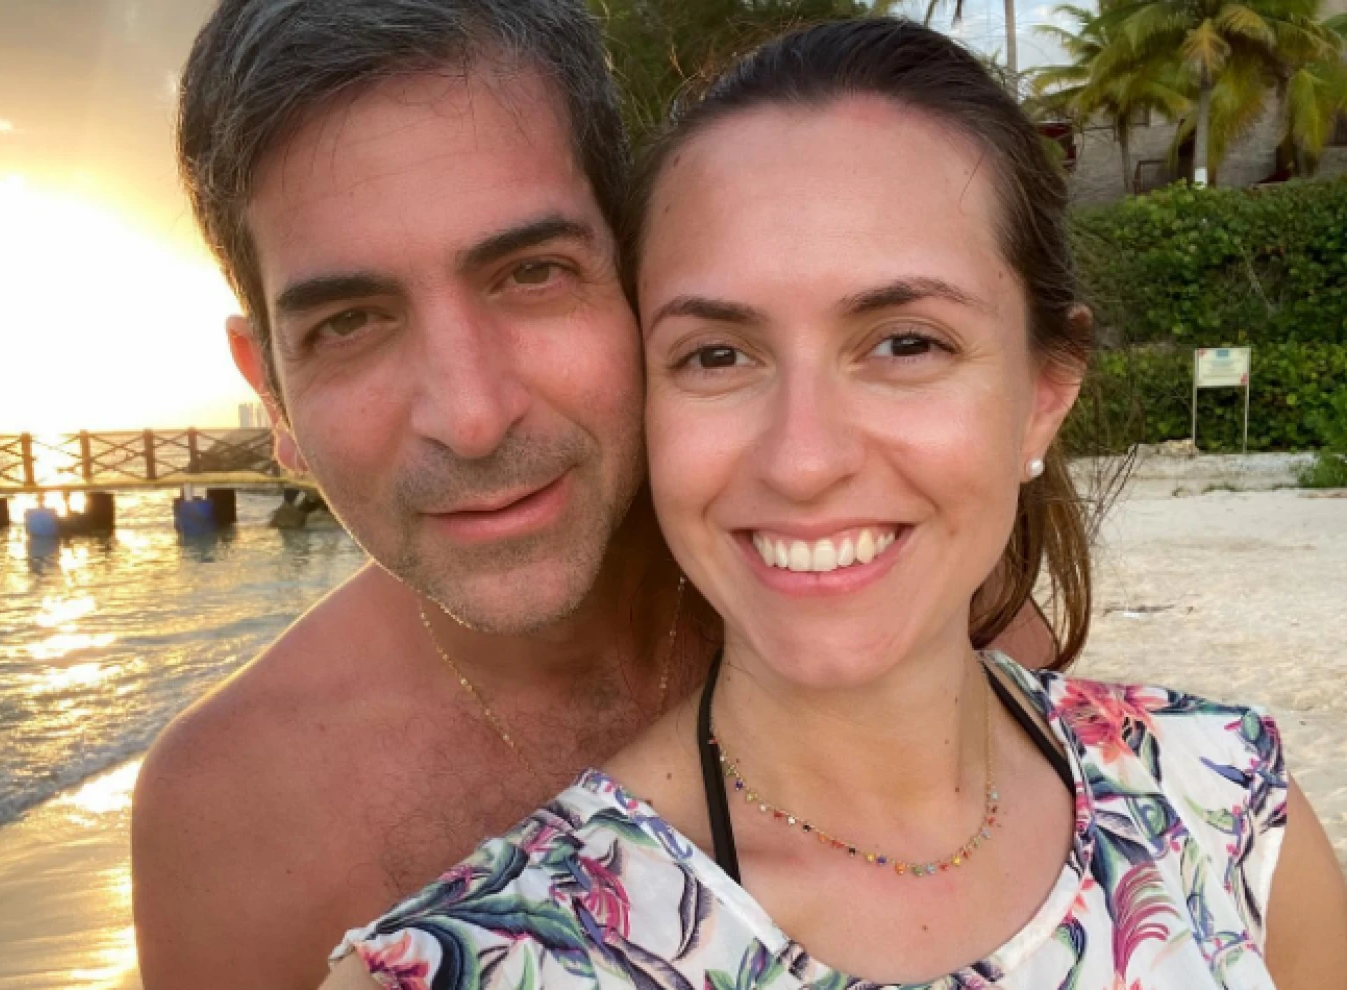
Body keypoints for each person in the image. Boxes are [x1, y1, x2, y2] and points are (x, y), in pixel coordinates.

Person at [323, 18, 1347, 990]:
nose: (804, 460)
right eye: (716, 356)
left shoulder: (1229, 806)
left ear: (1044, 393)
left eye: (906, 343)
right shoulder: (494, 961)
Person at [133, 3, 1053, 986]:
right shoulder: (233, 814)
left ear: (641, 273)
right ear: (270, 388)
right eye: (350, 323)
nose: (471, 417)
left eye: (532, 273)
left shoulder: (906, 594)